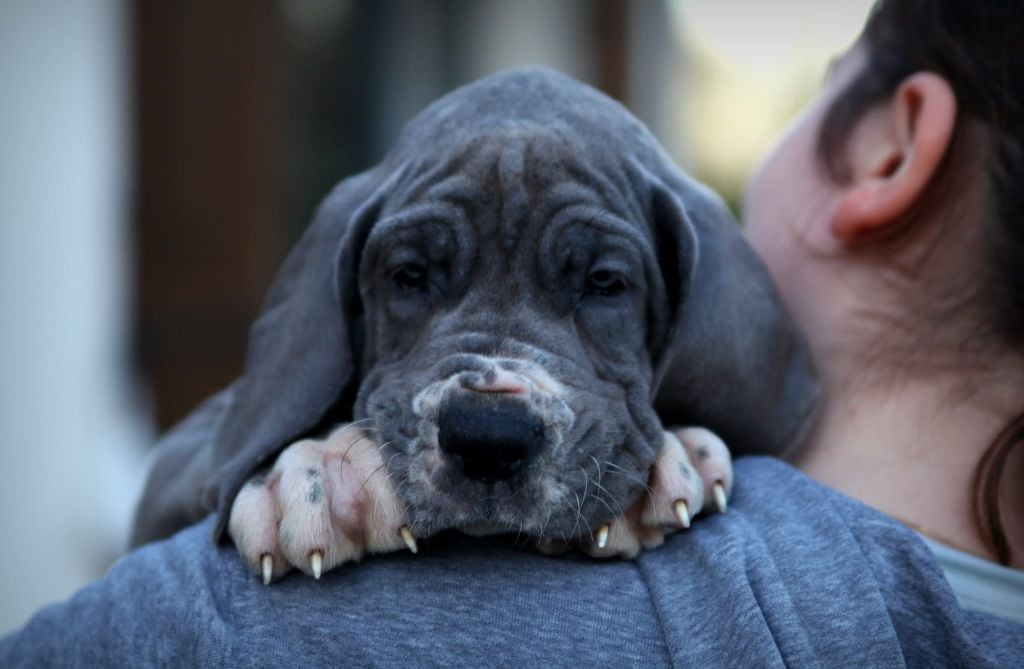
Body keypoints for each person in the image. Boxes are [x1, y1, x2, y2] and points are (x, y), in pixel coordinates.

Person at [2, 1, 1022, 666]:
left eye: (600, 283)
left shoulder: (215, 632)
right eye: (414, 276)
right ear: (349, 285)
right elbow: (196, 467)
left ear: (892, 148)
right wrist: (278, 456)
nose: (493, 395)